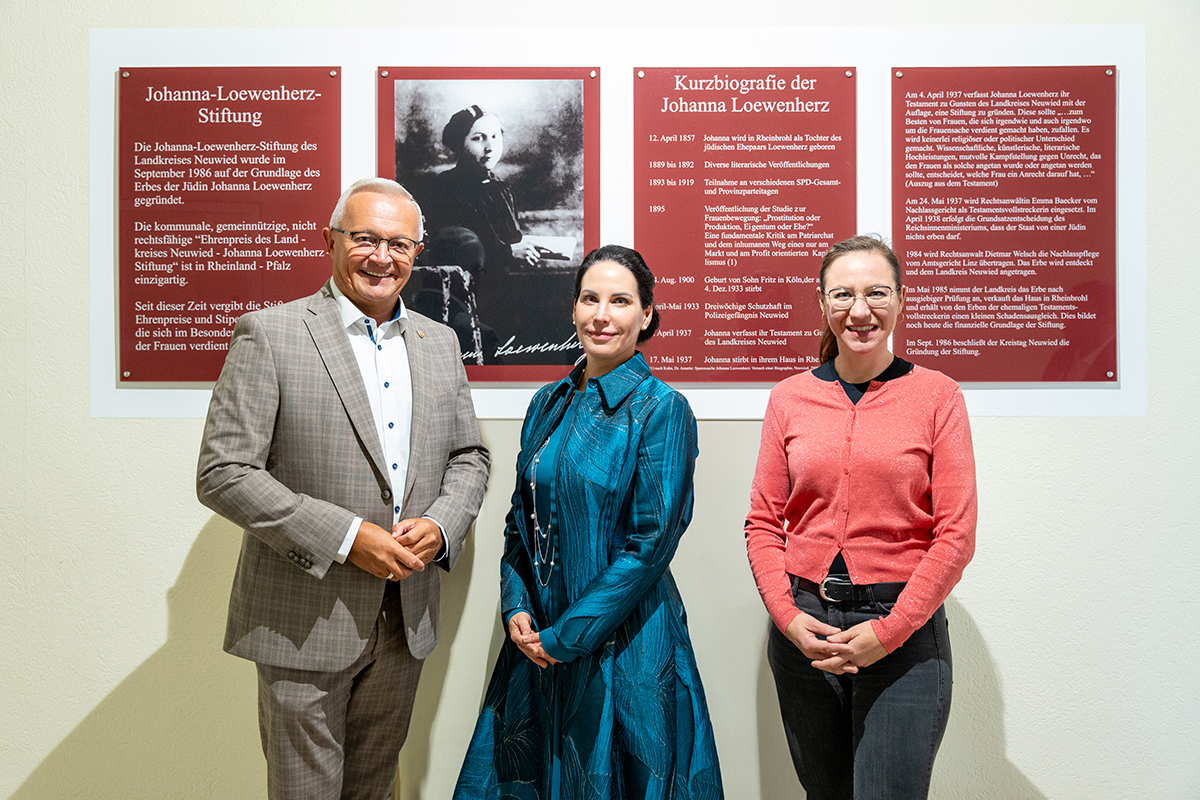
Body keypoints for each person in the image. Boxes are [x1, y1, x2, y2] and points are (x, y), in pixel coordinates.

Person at [196, 177, 490, 800]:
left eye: (399, 244)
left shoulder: (440, 343)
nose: (382, 257)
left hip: (405, 618)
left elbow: (469, 456)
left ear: (417, 252)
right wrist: (348, 537)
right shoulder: (270, 334)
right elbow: (224, 472)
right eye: (364, 239)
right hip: (305, 617)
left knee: (373, 790)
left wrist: (441, 525)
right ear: (330, 241)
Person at [453, 245, 723, 800]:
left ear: (646, 314)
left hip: (623, 648)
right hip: (535, 645)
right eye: (590, 298)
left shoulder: (660, 408)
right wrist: (518, 608)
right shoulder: (546, 402)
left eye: (620, 301)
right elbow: (517, 524)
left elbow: (652, 542)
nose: (602, 314)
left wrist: (567, 636)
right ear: (574, 309)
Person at [744, 235, 977, 800]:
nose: (860, 309)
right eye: (842, 294)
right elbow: (763, 523)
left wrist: (889, 631)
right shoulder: (790, 398)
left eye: (876, 293)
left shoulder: (938, 396)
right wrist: (788, 618)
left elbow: (955, 536)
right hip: (807, 631)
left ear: (900, 299)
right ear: (823, 303)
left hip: (902, 632)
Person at [421, 104, 541, 273]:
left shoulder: (500, 186)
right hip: (469, 286)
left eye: (495, 136)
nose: (490, 147)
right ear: (459, 144)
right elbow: (453, 249)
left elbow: (511, 237)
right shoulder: (445, 187)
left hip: (507, 280)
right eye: (478, 138)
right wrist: (508, 252)